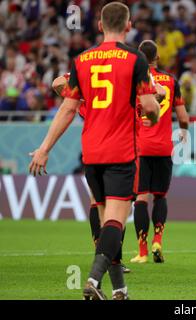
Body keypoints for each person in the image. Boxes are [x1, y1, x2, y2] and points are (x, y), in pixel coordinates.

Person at [29, 2, 160, 299]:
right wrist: (150, 116)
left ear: (100, 26)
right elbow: (151, 106)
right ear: (128, 25)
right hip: (122, 151)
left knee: (105, 223)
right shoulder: (134, 58)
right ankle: (92, 280)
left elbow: (67, 108)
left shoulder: (82, 59)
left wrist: (44, 148)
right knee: (115, 219)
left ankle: (120, 291)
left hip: (91, 152)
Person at [52, 74, 131, 274]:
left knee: (98, 202)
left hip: (93, 148)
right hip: (120, 147)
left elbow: (57, 84)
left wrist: (79, 96)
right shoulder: (124, 69)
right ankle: (111, 259)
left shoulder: (88, 69)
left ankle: (104, 255)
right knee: (118, 205)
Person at [131, 40, 189, 264]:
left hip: (140, 147)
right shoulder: (171, 82)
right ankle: (158, 240)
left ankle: (143, 251)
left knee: (141, 198)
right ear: (157, 57)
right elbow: (183, 117)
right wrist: (183, 132)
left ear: (139, 56)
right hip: (164, 146)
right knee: (161, 196)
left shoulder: (134, 80)